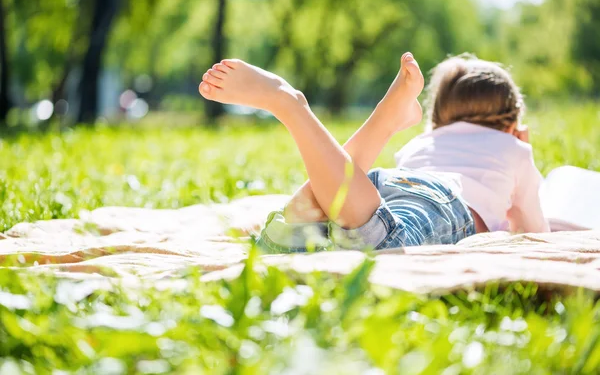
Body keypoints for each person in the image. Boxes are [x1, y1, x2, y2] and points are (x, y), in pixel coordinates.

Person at [198, 53, 549, 253]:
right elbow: (534, 230)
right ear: (510, 123)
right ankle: (292, 107)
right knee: (384, 244)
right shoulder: (515, 148)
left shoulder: (422, 143)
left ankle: (381, 120)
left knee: (289, 241)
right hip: (445, 202)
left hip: (381, 184)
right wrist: (523, 146)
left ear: (437, 118)